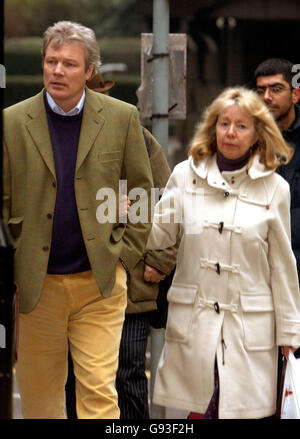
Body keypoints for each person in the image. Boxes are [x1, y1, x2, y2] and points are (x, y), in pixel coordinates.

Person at [2, 21, 154, 419]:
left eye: (69, 64)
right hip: (36, 287)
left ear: (89, 72)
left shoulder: (121, 118)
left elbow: (140, 190)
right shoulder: (12, 123)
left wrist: (125, 259)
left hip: (99, 284)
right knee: (40, 401)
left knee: (100, 398)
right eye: (51, 61)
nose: (57, 71)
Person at [146, 86, 300, 419]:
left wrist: (290, 333)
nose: (230, 132)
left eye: (241, 125)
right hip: (195, 325)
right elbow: (159, 239)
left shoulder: (276, 189)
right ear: (213, 127)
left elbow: (282, 268)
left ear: (257, 134)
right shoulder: (184, 176)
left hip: (249, 328)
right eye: (224, 123)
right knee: (200, 411)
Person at [65, 72, 177, 419]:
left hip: (130, 281)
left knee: (127, 372)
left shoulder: (141, 142)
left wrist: (156, 259)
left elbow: (166, 204)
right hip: (73, 276)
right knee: (74, 377)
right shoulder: (58, 142)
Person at [255, 58, 300, 406]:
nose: (267, 97)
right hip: (255, 280)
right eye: (261, 90)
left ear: (295, 94)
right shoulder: (243, 140)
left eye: (276, 89)